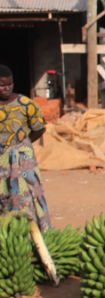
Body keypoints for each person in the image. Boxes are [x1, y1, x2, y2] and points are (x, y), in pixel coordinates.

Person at [0, 64, 51, 232]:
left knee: (29, 194)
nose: (7, 88)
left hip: (23, 159)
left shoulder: (25, 104)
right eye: (2, 85)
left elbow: (40, 128)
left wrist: (23, 145)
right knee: (4, 196)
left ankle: (35, 233)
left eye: (10, 84)